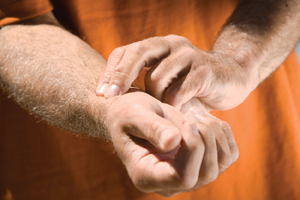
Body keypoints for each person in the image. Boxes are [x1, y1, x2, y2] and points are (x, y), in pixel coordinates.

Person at [0, 0, 300, 200]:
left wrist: (240, 59)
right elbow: (15, 22)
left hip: (269, 167)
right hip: (66, 176)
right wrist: (109, 106)